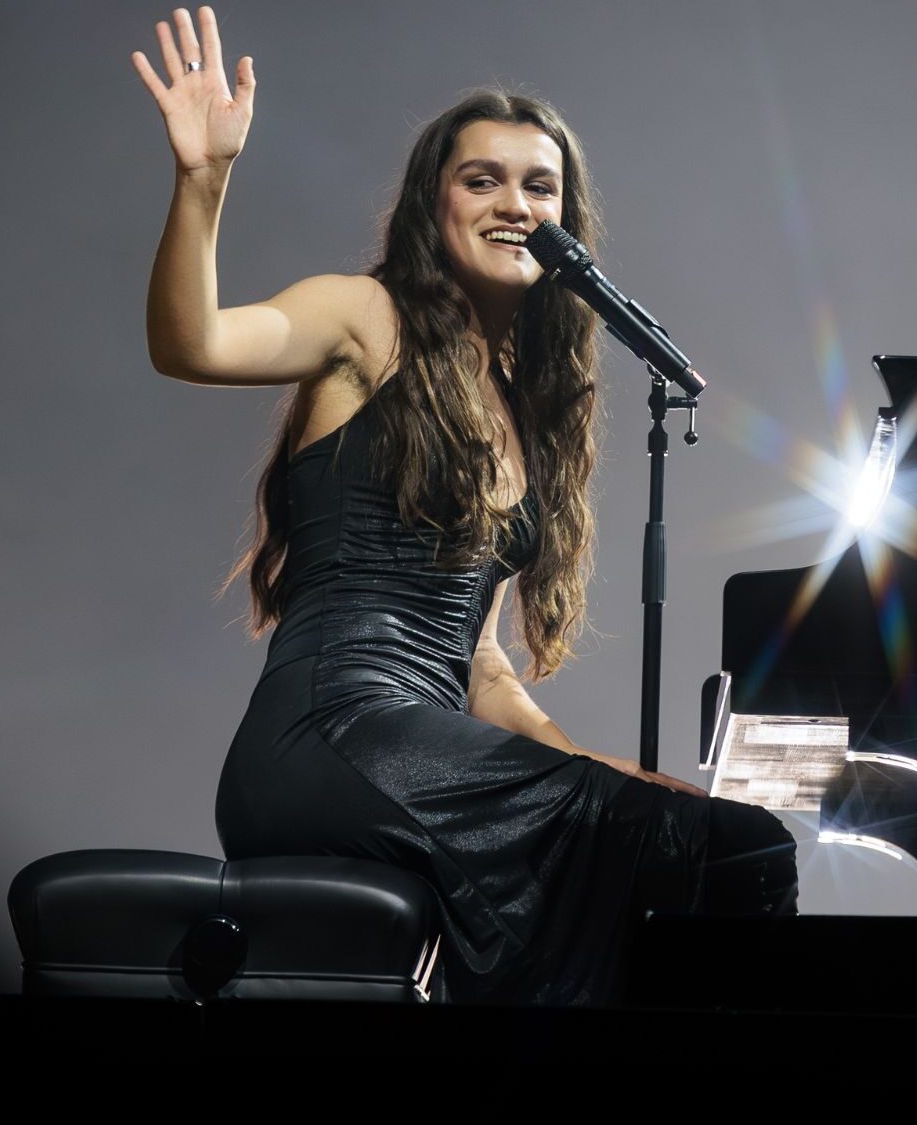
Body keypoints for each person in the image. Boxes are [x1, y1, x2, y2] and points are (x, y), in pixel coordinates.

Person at [132, 6, 798, 1005]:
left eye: (539, 186)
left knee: (713, 840)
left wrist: (601, 773)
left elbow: (476, 662)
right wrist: (202, 179)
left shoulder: (531, 407)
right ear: (431, 205)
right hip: (328, 736)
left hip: (419, 747)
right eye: (479, 179)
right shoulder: (365, 316)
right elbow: (194, 346)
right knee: (725, 849)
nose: (512, 204)